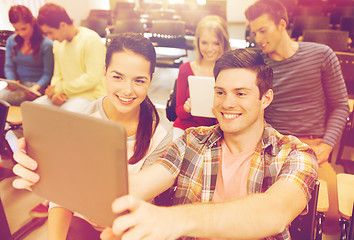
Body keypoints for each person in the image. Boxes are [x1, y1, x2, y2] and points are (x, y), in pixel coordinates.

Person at [13, 49, 318, 240]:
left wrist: (173, 220)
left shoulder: (295, 155)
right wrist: (53, 175)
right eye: (220, 92)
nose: (227, 103)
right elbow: (130, 189)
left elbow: (273, 213)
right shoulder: (191, 142)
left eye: (241, 93)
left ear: (266, 98)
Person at [13, 32, 173, 239]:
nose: (127, 90)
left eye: (139, 81)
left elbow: (138, 203)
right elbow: (62, 197)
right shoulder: (80, 119)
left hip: (130, 225)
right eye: (117, 76)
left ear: (151, 79)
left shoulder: (161, 132)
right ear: (104, 72)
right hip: (81, 218)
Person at [244, 0, 350, 234]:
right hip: (270, 147)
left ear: (282, 25)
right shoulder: (258, 65)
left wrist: (327, 145)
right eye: (254, 32)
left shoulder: (321, 55)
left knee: (330, 219)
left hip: (311, 147)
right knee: (257, 215)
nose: (258, 38)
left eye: (263, 30)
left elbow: (341, 106)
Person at [33, 3, 105, 111]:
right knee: (33, 108)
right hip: (65, 94)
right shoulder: (58, 43)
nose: (50, 37)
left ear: (62, 25)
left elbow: (92, 78)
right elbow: (57, 75)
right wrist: (55, 94)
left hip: (90, 95)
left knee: (64, 115)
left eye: (50, 32)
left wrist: (60, 88)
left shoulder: (91, 40)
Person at [173, 15, 231, 139]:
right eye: (204, 43)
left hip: (218, 130)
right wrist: (186, 108)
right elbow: (178, 112)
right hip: (186, 127)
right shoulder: (185, 69)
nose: (210, 49)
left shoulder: (230, 72)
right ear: (198, 42)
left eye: (216, 43)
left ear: (224, 43)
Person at [0, 5, 53, 106]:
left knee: (2, 100)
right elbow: (9, 66)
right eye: (16, 29)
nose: (20, 33)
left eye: (24, 29)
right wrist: (12, 80)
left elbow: (48, 74)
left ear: (32, 22)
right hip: (19, 85)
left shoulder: (46, 43)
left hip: (38, 88)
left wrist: (35, 88)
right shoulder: (12, 40)